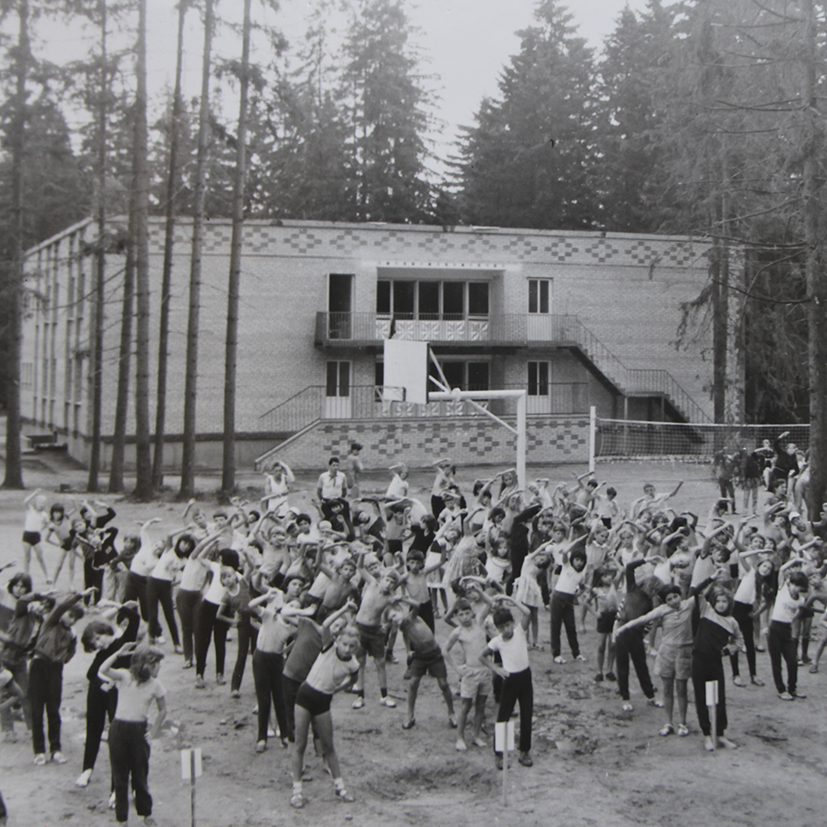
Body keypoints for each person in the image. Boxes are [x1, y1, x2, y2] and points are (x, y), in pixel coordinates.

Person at [290, 623, 360, 809]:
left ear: (356, 647)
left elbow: (353, 679)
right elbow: (327, 624)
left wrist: (337, 690)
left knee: (328, 746)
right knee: (300, 744)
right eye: (344, 644)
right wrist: (345, 608)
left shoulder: (353, 664)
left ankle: (340, 788)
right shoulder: (328, 647)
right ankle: (297, 792)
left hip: (323, 702)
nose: (347, 649)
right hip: (305, 696)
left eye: (352, 646)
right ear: (337, 641)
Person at [615, 584, 697, 736]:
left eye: (675, 596)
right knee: (667, 689)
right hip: (666, 653)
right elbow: (643, 619)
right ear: (665, 601)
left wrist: (713, 576)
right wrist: (622, 628)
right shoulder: (662, 610)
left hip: (684, 653)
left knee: (681, 689)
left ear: (681, 595)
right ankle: (668, 723)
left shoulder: (689, 604)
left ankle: (683, 723)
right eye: (669, 599)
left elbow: (700, 590)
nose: (673, 601)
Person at [98, 643, 166, 826]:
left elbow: (162, 710)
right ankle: (122, 819)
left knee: (140, 775)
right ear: (145, 664)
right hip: (118, 730)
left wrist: (153, 732)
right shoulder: (125, 676)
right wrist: (118, 653)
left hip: (139, 731)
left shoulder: (156, 685)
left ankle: (146, 814)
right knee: (120, 778)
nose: (159, 668)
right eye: (156, 664)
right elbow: (103, 669)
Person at [75, 601, 141, 788]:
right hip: (99, 692)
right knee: (93, 730)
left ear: (106, 631)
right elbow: (90, 674)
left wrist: (117, 605)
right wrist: (103, 683)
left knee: (117, 739)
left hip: (119, 694)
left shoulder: (124, 640)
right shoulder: (101, 654)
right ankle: (87, 769)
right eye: (94, 643)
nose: (98, 644)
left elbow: (134, 617)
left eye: (98, 638)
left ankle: (116, 787)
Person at [29, 587, 96, 765]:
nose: (70, 619)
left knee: (53, 709)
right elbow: (61, 606)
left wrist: (61, 659)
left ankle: (56, 749)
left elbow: (71, 653)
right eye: (69, 615)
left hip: (55, 670)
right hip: (38, 665)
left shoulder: (71, 634)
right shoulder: (50, 622)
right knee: (36, 710)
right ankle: (39, 751)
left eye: (75, 618)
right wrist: (79, 596)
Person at [479, 595, 534, 769]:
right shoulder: (497, 641)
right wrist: (496, 669)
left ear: (513, 622)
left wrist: (507, 598)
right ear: (497, 628)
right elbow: (481, 656)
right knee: (504, 716)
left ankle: (524, 751)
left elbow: (527, 612)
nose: (506, 629)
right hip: (509, 680)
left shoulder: (519, 631)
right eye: (501, 627)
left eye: (508, 625)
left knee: (526, 714)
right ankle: (500, 754)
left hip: (525, 677)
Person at [691, 582, 744, 751]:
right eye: (719, 601)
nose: (721, 604)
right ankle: (707, 735)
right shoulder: (706, 610)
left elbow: (739, 641)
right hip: (699, 660)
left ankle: (720, 735)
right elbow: (696, 590)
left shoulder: (732, 622)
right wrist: (711, 579)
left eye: (724, 601)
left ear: (729, 603)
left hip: (715, 662)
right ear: (713, 601)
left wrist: (728, 650)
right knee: (701, 698)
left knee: (718, 698)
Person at [386, 602, 456, 731]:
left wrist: (403, 598)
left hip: (434, 653)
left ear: (401, 611)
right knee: (413, 684)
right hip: (419, 656)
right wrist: (408, 651)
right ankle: (410, 716)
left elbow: (417, 606)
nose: (394, 620)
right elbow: (406, 636)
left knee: (443, 684)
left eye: (394, 615)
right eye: (391, 620)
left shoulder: (411, 617)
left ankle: (452, 713)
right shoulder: (403, 626)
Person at [444, 595, 490, 751]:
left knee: (481, 705)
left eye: (466, 613)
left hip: (485, 670)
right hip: (469, 672)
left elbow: (489, 602)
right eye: (460, 615)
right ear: (456, 617)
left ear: (472, 613)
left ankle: (476, 735)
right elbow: (445, 651)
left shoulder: (480, 623)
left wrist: (477, 590)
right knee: (466, 705)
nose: (464, 617)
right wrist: (456, 668)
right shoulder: (457, 632)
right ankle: (460, 738)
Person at [768, 566, 811, 700]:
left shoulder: (801, 600)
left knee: (792, 661)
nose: (794, 587)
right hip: (774, 628)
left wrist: (794, 618)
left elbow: (800, 611)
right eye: (793, 584)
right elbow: (781, 570)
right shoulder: (782, 590)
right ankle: (781, 690)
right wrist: (795, 561)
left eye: (798, 586)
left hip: (787, 630)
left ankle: (792, 689)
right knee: (776, 662)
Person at [21, 490, 50, 582]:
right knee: (27, 557)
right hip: (27, 535)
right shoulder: (30, 510)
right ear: (36, 503)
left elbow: (47, 523)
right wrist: (35, 493)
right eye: (39, 502)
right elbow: (25, 501)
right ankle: (26, 577)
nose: (41, 505)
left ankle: (47, 577)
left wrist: (41, 529)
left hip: (36, 536)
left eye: (43, 503)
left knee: (40, 557)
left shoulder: (44, 515)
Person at [317, 457, 349, 523]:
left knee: (341, 517)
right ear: (330, 466)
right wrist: (321, 500)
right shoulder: (323, 476)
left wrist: (341, 498)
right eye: (334, 465)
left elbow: (344, 489)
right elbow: (319, 490)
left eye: (337, 465)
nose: (335, 467)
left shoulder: (342, 476)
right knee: (327, 519)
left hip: (337, 500)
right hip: (327, 500)